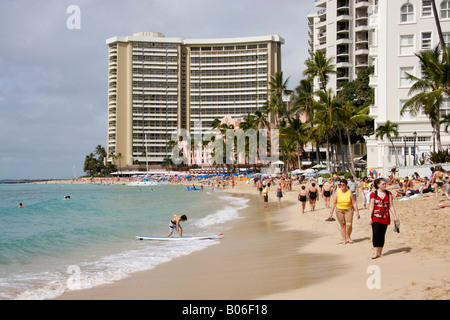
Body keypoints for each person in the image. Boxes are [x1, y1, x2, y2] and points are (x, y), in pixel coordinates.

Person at [369, 178, 399, 259]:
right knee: (376, 234)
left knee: (382, 234)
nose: (385, 185)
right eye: (383, 184)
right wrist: (370, 218)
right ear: (378, 185)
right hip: (375, 216)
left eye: (385, 184)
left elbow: (391, 206)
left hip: (385, 216)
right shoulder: (373, 194)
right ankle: (375, 252)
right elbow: (371, 207)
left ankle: (380, 252)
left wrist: (395, 217)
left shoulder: (389, 194)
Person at [328, 179, 360, 244]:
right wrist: (331, 213)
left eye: (343, 185)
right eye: (341, 184)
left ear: (346, 185)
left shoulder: (349, 192)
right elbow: (334, 203)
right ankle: (344, 239)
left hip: (349, 210)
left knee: (349, 224)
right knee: (342, 225)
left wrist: (357, 212)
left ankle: (348, 236)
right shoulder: (337, 192)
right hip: (339, 210)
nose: (342, 186)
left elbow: (354, 202)